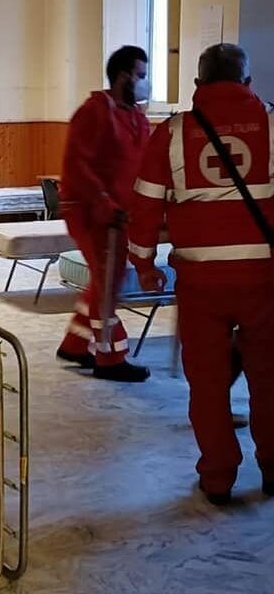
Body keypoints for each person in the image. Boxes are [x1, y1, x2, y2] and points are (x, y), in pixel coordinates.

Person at [129, 43, 274, 505]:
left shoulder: (172, 132)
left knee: (208, 383)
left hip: (200, 280)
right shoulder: (272, 123)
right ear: (248, 83)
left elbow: (146, 202)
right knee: (270, 379)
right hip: (264, 278)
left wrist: (144, 263)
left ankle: (218, 478)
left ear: (197, 85)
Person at [55, 45, 153, 382]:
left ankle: (75, 345)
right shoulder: (94, 111)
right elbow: (77, 165)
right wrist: (105, 203)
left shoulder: (136, 116)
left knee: (105, 280)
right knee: (108, 281)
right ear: (123, 75)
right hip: (91, 212)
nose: (145, 82)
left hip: (120, 214)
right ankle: (110, 358)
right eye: (141, 75)